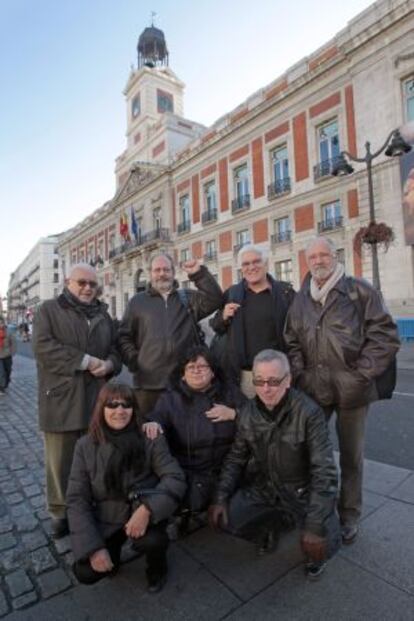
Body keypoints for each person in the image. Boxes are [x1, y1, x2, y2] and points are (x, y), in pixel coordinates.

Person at [284, 236, 400, 544]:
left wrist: (361, 374)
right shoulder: (301, 298)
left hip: (353, 392)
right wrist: (300, 373)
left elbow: (386, 336)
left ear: (335, 256)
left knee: (351, 458)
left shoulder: (359, 290)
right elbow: (291, 339)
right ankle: (317, 512)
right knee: (312, 454)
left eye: (324, 254)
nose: (319, 261)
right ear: (307, 262)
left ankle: (349, 515)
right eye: (313, 257)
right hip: (313, 390)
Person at [209, 350, 340, 579]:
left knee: (323, 544)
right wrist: (221, 496)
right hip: (266, 488)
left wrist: (316, 523)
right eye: (259, 381)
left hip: (302, 490)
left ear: (288, 380)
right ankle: (270, 528)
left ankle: (313, 555)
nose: (266, 389)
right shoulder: (248, 412)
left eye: (273, 381)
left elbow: (325, 471)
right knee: (227, 518)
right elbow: (235, 458)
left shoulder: (309, 413)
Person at [66, 383, 186, 592]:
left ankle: (157, 569)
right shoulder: (85, 445)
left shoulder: (150, 437)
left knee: (153, 541)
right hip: (107, 516)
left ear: (134, 408)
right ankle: (112, 554)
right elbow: (77, 498)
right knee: (86, 572)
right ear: (101, 408)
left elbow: (175, 478)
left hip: (141, 510)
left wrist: (148, 509)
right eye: (112, 405)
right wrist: (93, 548)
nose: (119, 411)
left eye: (126, 404)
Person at [32, 263, 122, 539]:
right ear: (67, 283)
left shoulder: (104, 315)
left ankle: (88, 505)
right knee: (60, 462)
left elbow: (116, 351)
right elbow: (43, 347)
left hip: (96, 399)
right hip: (61, 399)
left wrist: (109, 365)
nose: (87, 288)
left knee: (93, 459)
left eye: (92, 284)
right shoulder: (48, 309)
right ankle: (60, 512)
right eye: (81, 282)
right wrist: (85, 361)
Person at [143, 346, 246, 518]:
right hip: (188, 472)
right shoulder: (170, 399)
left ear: (212, 372)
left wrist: (234, 414)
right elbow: (156, 418)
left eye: (202, 366)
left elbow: (257, 417)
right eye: (191, 367)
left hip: (227, 470)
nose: (196, 371)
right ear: (183, 374)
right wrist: (152, 423)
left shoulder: (230, 393)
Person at [119, 253, 223, 416]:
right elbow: (124, 336)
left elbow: (216, 299)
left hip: (183, 382)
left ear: (173, 272)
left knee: (184, 435)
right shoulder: (137, 302)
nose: (162, 274)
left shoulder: (187, 298)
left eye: (166, 270)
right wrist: (135, 360)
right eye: (157, 270)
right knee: (149, 432)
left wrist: (198, 274)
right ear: (150, 273)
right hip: (148, 385)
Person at [210, 244, 294, 397]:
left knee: (276, 418)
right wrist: (223, 316)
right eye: (246, 264)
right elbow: (216, 326)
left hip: (276, 374)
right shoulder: (232, 293)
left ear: (266, 263)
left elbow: (296, 333)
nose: (251, 267)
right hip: (245, 376)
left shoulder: (285, 293)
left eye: (256, 262)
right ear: (241, 268)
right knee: (246, 418)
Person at [0, 316, 17, 395]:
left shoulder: (9, 332)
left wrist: (12, 352)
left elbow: (13, 343)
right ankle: (1, 387)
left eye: (1, 323)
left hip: (7, 354)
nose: (0, 324)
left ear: (3, 323)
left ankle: (6, 382)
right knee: (1, 372)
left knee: (8, 370)